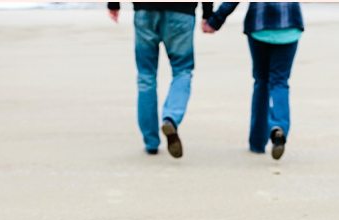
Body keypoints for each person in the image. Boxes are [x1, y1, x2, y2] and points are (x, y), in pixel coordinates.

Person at [108, 2, 213, 157]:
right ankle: (170, 118)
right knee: (182, 71)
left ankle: (151, 142)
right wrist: (208, 13)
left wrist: (114, 4)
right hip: (182, 11)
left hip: (145, 10)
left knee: (146, 76)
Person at [203, 2, 303, 160]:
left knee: (261, 82)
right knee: (280, 82)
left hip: (259, 25)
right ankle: (279, 126)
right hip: (289, 25)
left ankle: (257, 142)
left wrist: (215, 21)